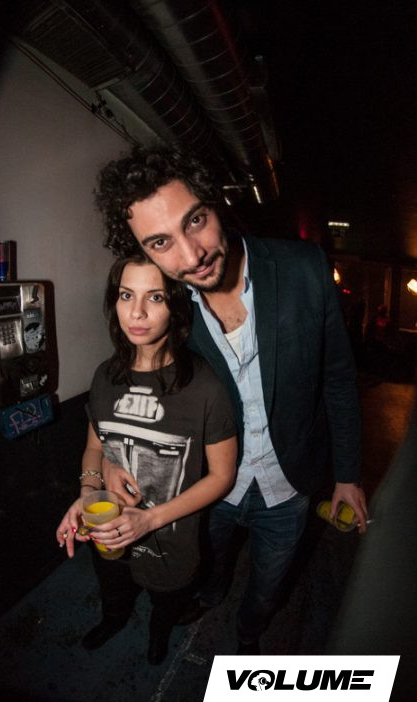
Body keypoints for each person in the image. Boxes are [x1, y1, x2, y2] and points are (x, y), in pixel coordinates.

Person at [94, 143, 368, 654]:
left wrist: (348, 475)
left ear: (217, 202)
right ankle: (210, 595)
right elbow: (134, 381)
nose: (191, 256)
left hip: (290, 483)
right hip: (210, 486)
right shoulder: (168, 304)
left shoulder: (304, 269)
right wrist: (107, 460)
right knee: (210, 564)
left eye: (195, 221)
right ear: (144, 251)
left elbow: (338, 379)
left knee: (268, 583)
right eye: (160, 243)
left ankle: (249, 631)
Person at [56, 253, 237, 664]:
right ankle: (113, 620)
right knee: (114, 590)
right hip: (108, 530)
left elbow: (222, 476)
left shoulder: (205, 387)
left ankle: (159, 634)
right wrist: (87, 493)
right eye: (126, 295)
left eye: (155, 297)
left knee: (166, 603)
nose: (136, 312)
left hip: (171, 543)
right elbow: (95, 447)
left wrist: (150, 520)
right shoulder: (105, 377)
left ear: (176, 306)